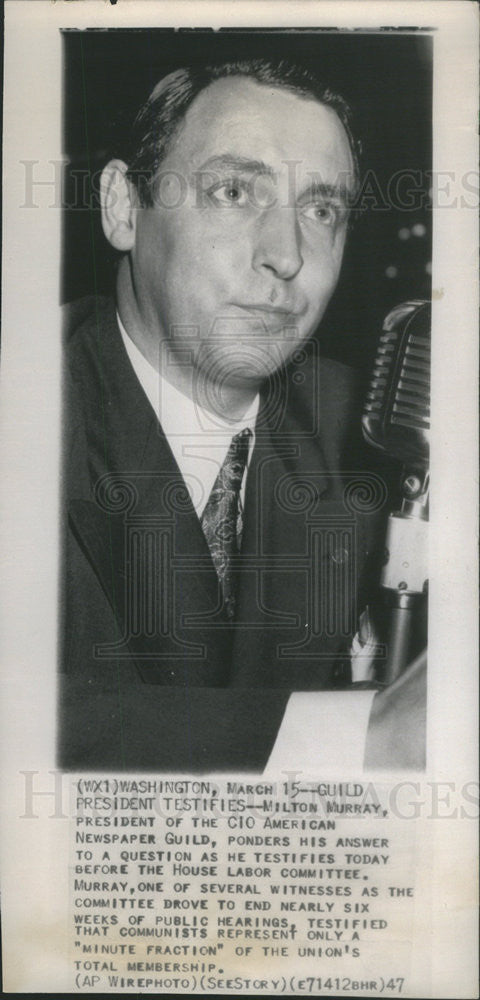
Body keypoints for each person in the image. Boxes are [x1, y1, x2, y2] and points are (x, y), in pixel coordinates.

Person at [59, 58, 425, 772]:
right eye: (233, 191)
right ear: (123, 208)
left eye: (321, 211)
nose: (287, 256)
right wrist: (362, 737)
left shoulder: (384, 431)